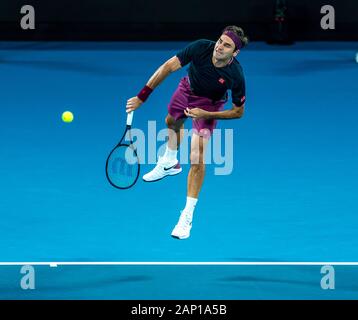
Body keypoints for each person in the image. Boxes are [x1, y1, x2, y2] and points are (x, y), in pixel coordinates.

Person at [126, 25, 248, 240]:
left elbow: (239, 112)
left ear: (234, 53)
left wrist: (206, 114)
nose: (219, 47)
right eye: (220, 41)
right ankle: (170, 162)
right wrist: (142, 96)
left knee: (197, 157)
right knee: (171, 121)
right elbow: (167, 67)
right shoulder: (201, 47)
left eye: (226, 45)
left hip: (210, 105)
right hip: (186, 89)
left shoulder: (235, 75)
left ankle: (187, 216)